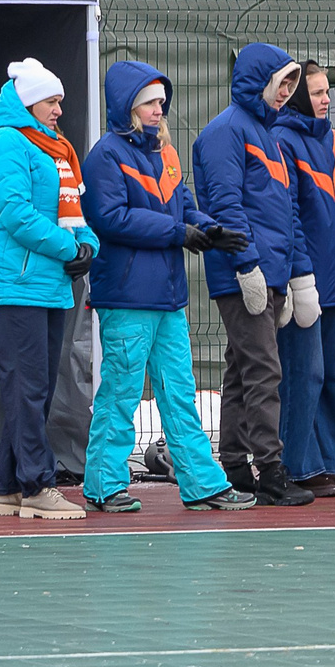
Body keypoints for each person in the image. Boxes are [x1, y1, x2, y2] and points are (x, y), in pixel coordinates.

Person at [79, 60, 252, 513]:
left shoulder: (165, 152)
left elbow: (184, 205)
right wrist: (180, 233)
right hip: (127, 296)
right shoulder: (106, 156)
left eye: (161, 101)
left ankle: (202, 485)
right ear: (129, 106)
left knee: (179, 393)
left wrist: (208, 229)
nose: (160, 109)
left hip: (167, 297)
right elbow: (111, 218)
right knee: (120, 392)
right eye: (151, 102)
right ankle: (103, 484)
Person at [191, 41, 316, 507]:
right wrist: (247, 268)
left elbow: (288, 214)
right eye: (280, 82)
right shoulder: (226, 132)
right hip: (245, 274)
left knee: (244, 372)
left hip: (271, 275)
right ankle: (270, 470)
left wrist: (299, 277)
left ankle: (236, 463)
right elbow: (225, 206)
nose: (286, 92)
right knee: (264, 370)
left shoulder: (270, 136)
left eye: (291, 83)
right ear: (257, 80)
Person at [0, 58, 99, 520]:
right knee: (27, 388)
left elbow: (72, 212)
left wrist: (87, 244)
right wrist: (70, 247)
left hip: (44, 283)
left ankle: (9, 487)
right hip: (15, 282)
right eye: (51, 101)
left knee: (35, 389)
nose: (58, 110)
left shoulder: (54, 148)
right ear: (28, 101)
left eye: (60, 101)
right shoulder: (6, 142)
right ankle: (37, 485)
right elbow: (15, 214)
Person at [275, 60, 335, 496]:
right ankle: (299, 463)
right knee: (304, 374)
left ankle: (330, 463)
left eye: (327, 91)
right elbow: (288, 216)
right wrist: (298, 276)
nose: (327, 99)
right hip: (307, 282)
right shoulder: (283, 141)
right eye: (316, 93)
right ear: (296, 97)